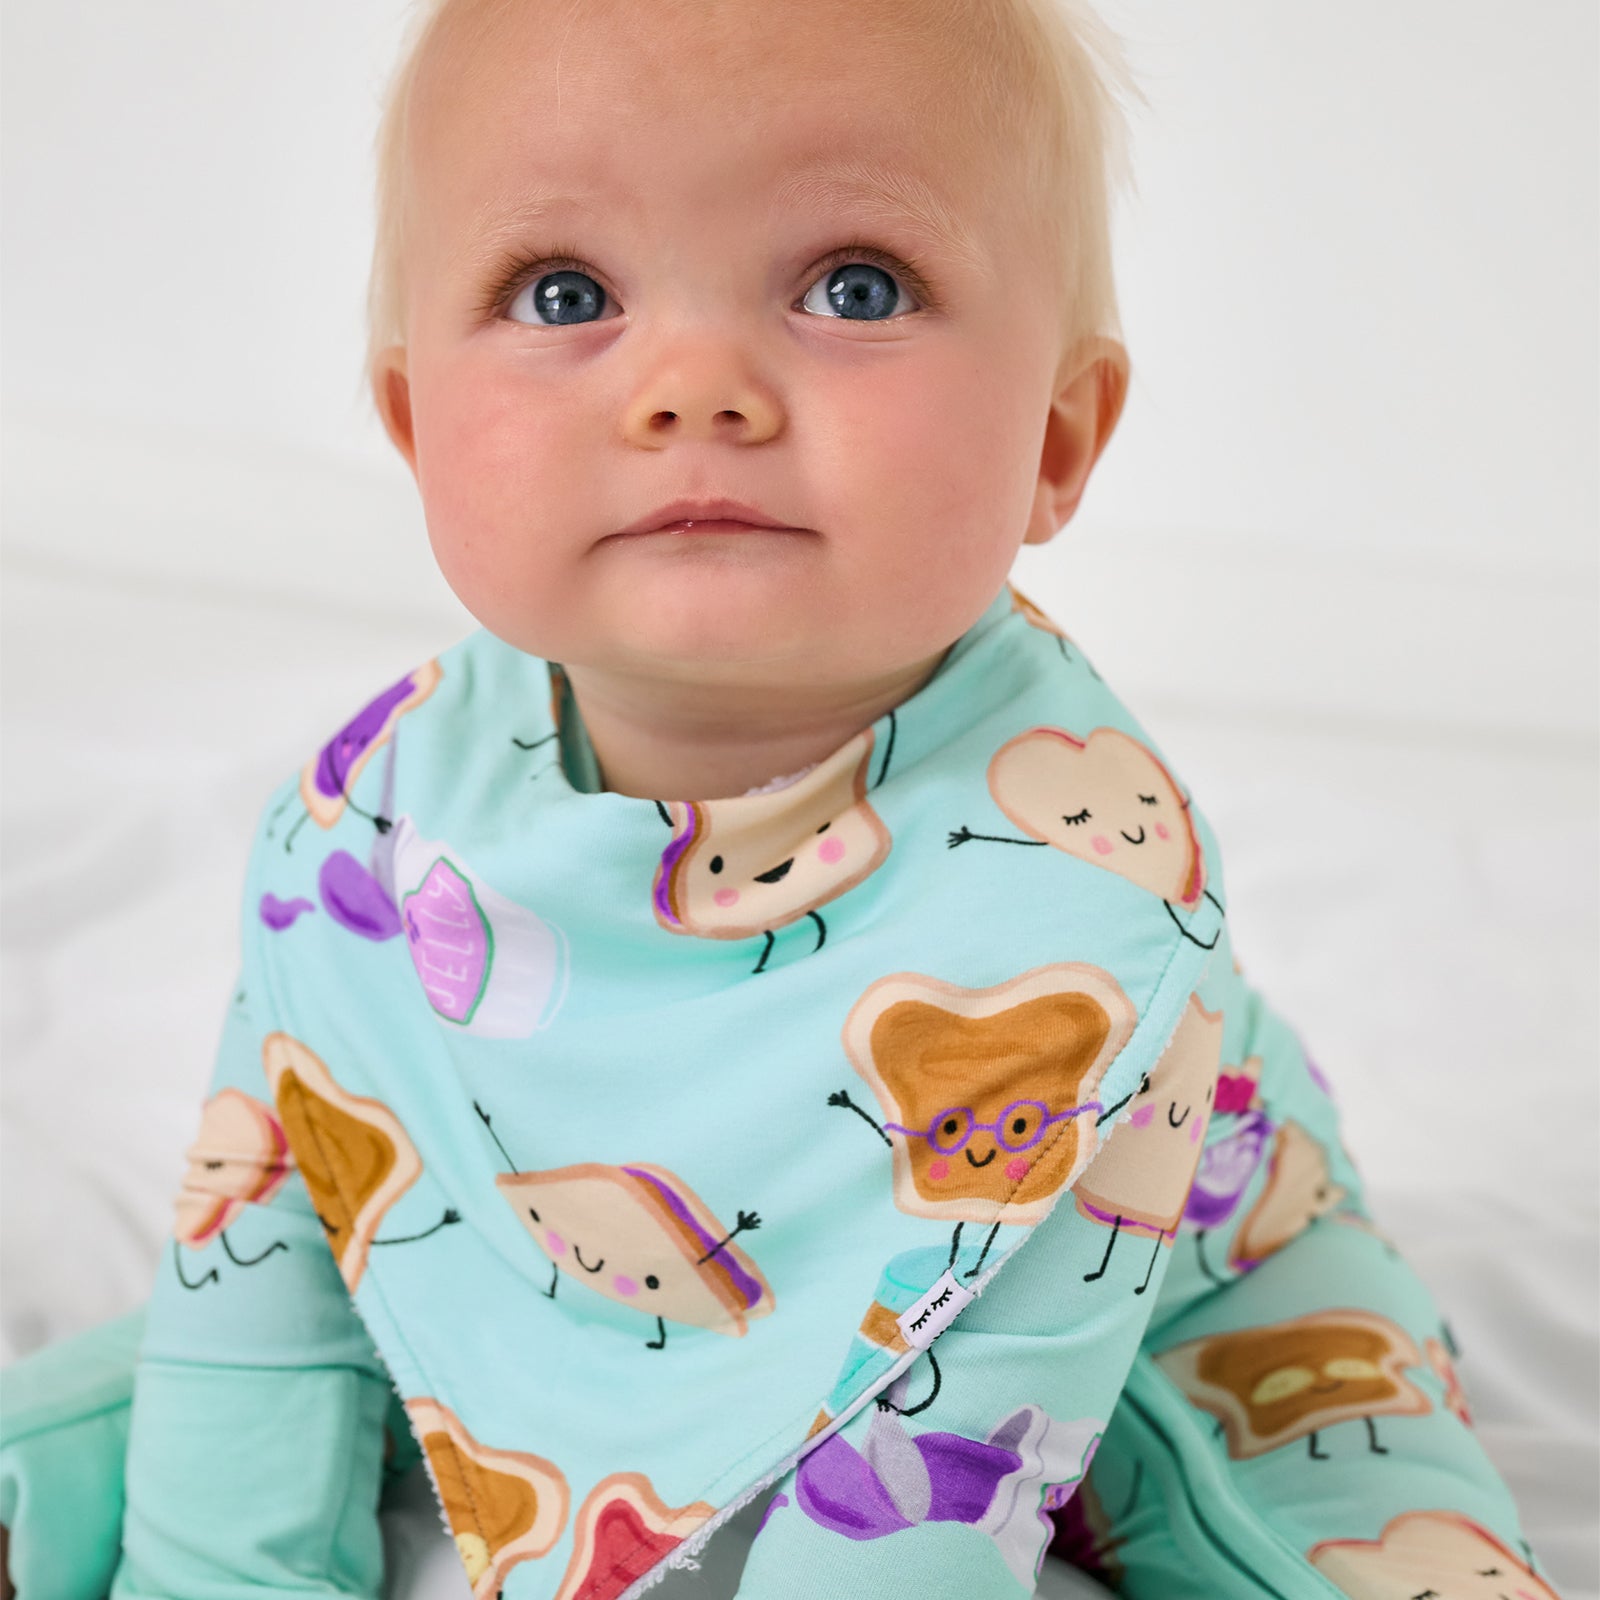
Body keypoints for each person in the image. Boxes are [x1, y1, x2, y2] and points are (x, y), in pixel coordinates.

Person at [0, 1, 1562, 1596]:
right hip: (599, 1268)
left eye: (853, 287)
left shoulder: (1086, 902)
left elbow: (936, 1504)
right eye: (566, 293)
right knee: (312, 1343)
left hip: (1163, 1253)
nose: (695, 387)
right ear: (412, 430)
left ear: (1058, 438)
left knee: (1354, 1490)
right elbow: (277, 1260)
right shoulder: (363, 834)